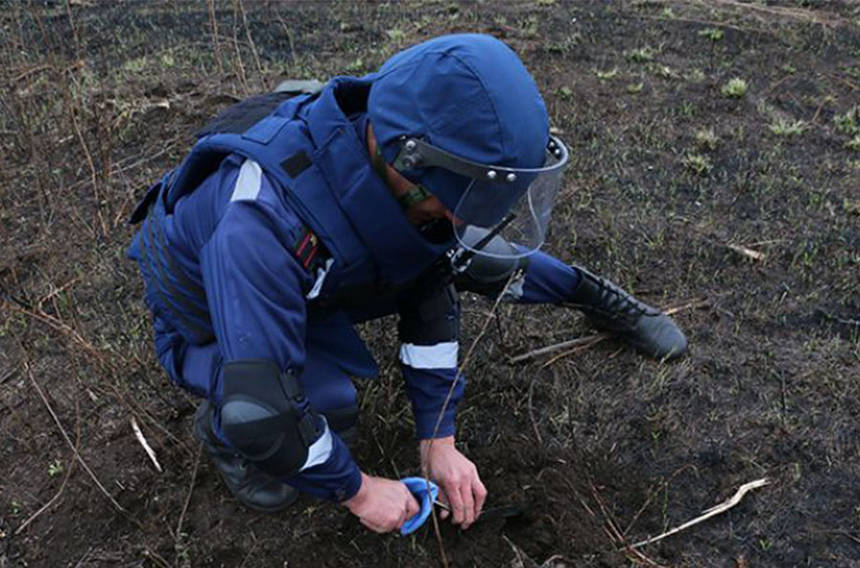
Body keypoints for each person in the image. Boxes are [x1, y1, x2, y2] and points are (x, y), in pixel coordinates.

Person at [127, 34, 686, 534]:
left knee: (473, 258)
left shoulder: (395, 165)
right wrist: (359, 491)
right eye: (473, 197)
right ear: (412, 165)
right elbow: (265, 410)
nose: (479, 215)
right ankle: (218, 431)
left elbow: (430, 285)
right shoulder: (261, 227)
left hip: (313, 274)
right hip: (207, 312)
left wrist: (437, 436)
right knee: (312, 404)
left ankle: (601, 300)